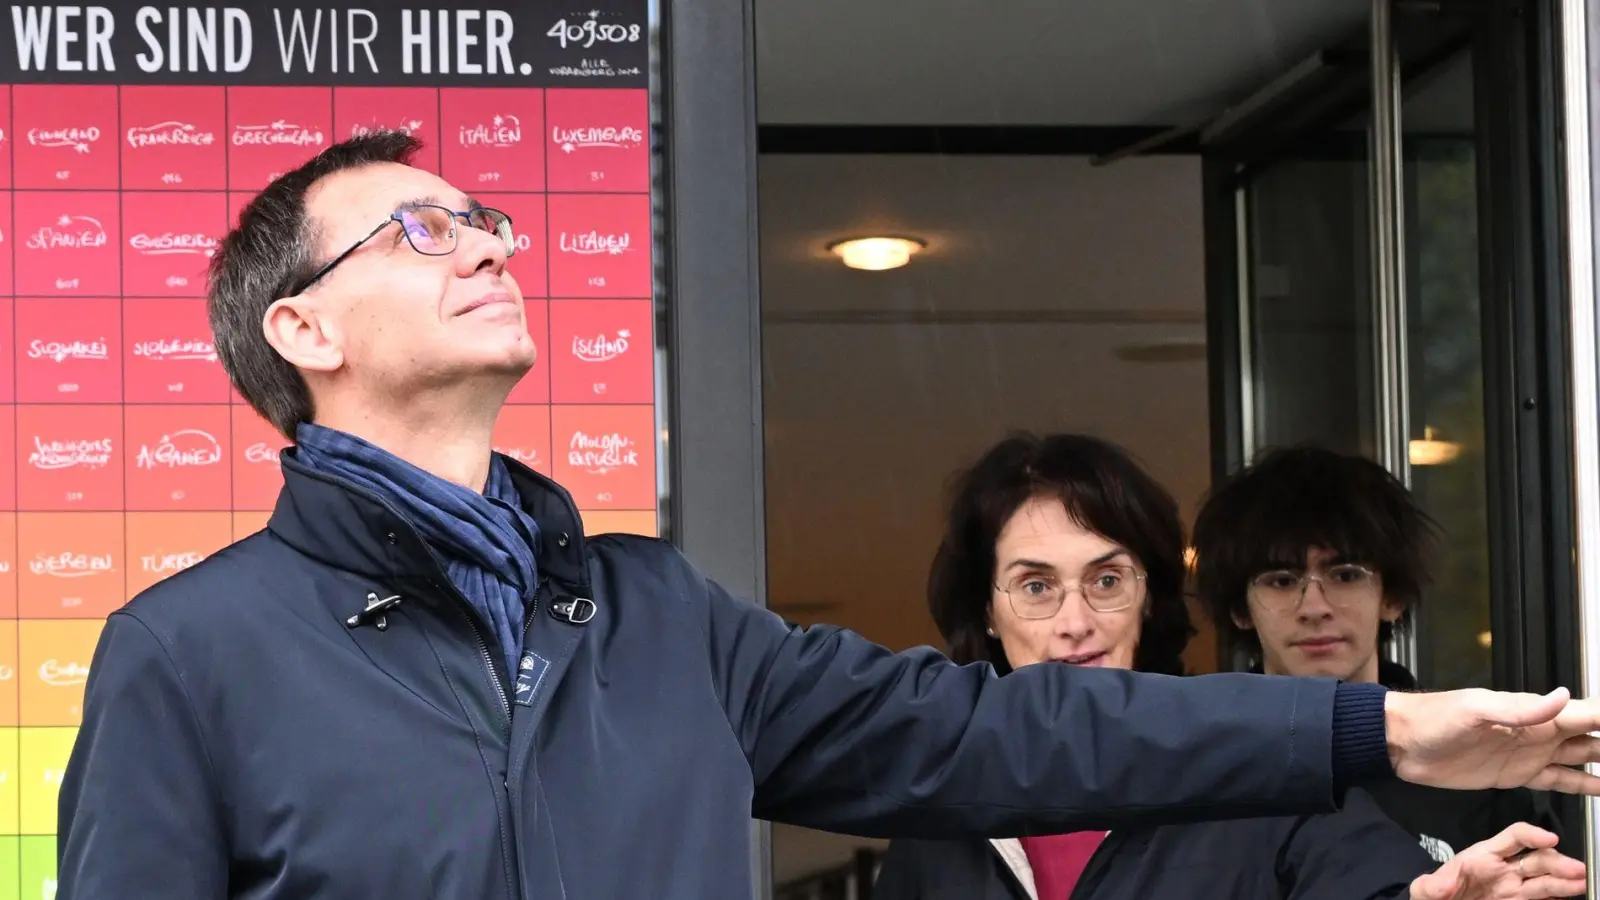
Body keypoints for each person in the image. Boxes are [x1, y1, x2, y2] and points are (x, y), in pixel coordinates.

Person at [54, 132, 1600, 900]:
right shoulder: (189, 656)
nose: (487, 246)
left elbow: (1025, 738)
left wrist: (1379, 737)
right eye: (422, 228)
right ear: (301, 337)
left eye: (490, 222)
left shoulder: (660, 618)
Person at [871, 432, 1585, 900]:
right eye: (1035, 586)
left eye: (1107, 579)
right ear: (988, 612)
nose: (1075, 619)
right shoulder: (936, 823)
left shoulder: (1260, 770)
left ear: (1150, 595)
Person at [1192, 444, 1567, 862]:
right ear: (1240, 608)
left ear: (1392, 596)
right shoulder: (1201, 770)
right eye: (1281, 581)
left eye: (1346, 575)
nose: (1315, 607)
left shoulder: (1473, 766)